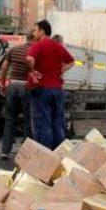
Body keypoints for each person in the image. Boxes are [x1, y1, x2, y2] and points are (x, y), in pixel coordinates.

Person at [26, 20, 74, 149]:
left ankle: (45, 156)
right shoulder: (58, 46)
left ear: (42, 31)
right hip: (57, 90)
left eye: (35, 30)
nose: (34, 33)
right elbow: (71, 61)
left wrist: (33, 70)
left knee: (42, 124)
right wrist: (60, 71)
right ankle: (59, 153)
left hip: (42, 89)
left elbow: (29, 59)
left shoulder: (38, 45)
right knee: (57, 123)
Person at [0, 31, 35, 161]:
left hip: (12, 85)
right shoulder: (33, 51)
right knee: (27, 119)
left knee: (10, 119)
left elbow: (4, 68)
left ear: (26, 38)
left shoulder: (14, 50)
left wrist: (3, 85)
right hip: (26, 86)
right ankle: (26, 154)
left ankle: (5, 151)